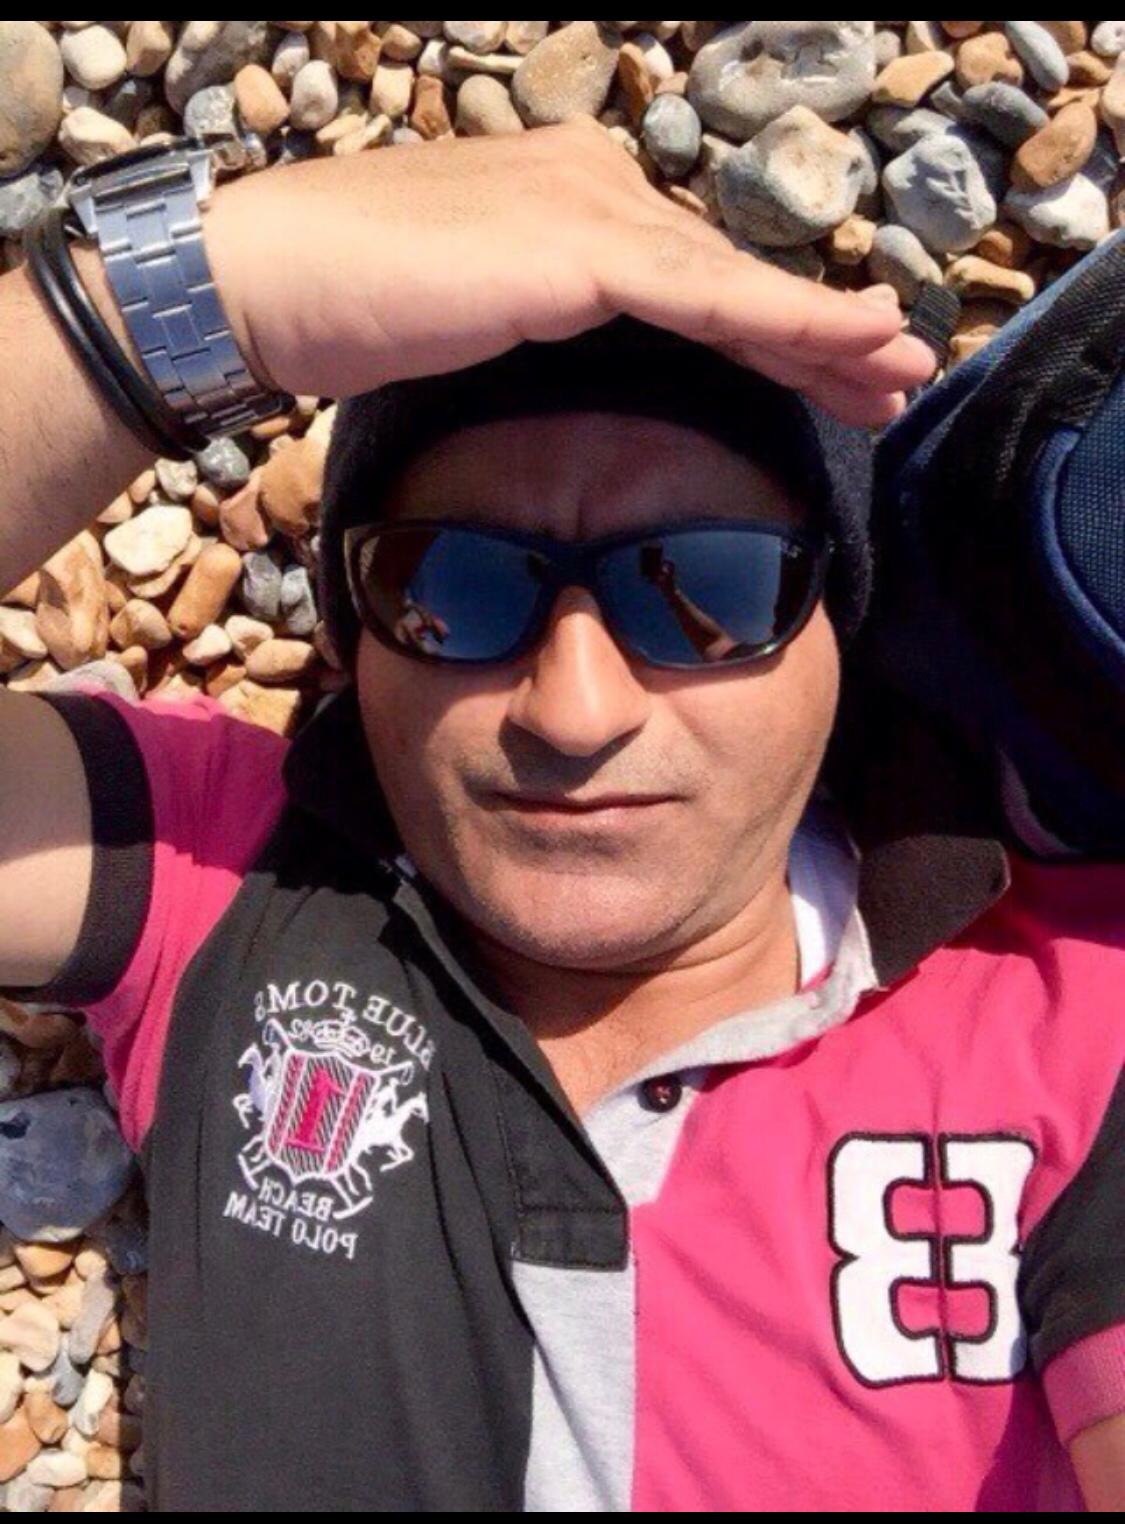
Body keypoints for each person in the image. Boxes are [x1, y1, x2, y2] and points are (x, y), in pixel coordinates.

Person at [0, 121, 1120, 1512]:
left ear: (836, 631)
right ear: (350, 642)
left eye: (707, 590)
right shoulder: (213, 872)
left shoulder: (1082, 1016)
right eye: (450, 588)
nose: (576, 710)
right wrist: (204, 288)